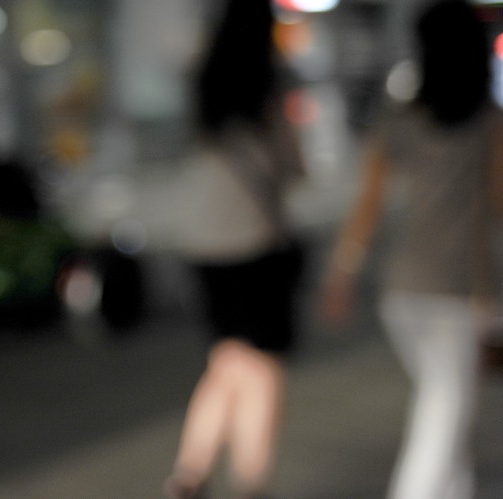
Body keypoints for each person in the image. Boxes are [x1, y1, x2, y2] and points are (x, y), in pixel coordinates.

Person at [321, 2, 503, 498]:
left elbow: (368, 206)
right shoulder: (488, 123)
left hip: (403, 289)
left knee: (448, 410)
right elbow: (499, 202)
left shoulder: (400, 119)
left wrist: (342, 274)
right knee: (445, 411)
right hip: (460, 288)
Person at [165, 1, 305, 497]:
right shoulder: (267, 88)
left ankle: (188, 475)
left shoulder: (202, 85)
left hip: (201, 243)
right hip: (254, 243)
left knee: (228, 360)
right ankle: (250, 482)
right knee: (261, 367)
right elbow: (293, 167)